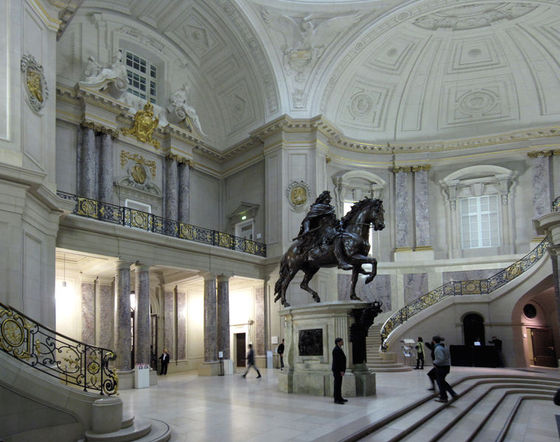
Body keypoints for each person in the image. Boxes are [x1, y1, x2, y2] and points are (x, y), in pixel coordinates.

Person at [293, 191, 353, 270]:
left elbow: (334, 221)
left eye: (329, 198)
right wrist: (306, 229)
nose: (330, 199)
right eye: (328, 197)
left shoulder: (330, 208)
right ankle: (341, 261)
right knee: (337, 237)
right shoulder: (317, 207)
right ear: (324, 198)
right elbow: (307, 220)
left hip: (332, 228)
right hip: (322, 231)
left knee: (343, 235)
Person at [432, 336, 458, 403]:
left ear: (434, 341)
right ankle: (452, 393)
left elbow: (441, 358)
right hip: (446, 366)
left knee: (440, 382)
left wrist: (434, 362)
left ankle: (444, 397)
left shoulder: (438, 348)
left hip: (441, 367)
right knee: (442, 381)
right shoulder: (444, 347)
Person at [332, 337, 347, 404]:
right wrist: (341, 370)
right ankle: (336, 399)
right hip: (337, 370)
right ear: (338, 342)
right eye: (341, 341)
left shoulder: (339, 349)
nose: (343, 342)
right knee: (337, 385)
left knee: (339, 384)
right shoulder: (336, 350)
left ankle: (340, 397)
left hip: (339, 370)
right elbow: (337, 361)